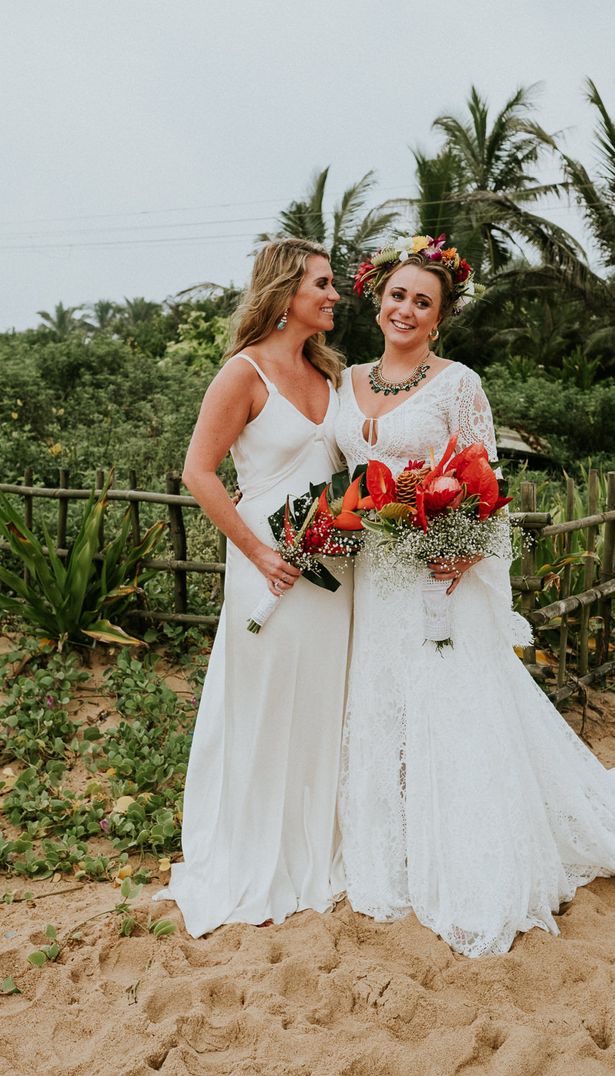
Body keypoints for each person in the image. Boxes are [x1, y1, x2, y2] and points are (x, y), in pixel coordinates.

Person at [334, 234, 615, 958]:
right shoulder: (344, 380)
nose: (406, 309)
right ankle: (396, 849)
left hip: (434, 573)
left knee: (450, 708)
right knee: (383, 706)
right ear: (377, 298)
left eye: (423, 301)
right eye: (398, 296)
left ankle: (469, 857)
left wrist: (462, 552)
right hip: (370, 581)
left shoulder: (458, 384)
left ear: (439, 317)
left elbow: (488, 490)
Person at [155, 238, 352, 937]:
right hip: (266, 566)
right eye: (323, 284)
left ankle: (316, 846)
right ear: (286, 291)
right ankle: (256, 855)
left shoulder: (330, 376)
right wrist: (261, 553)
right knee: (267, 703)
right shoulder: (242, 374)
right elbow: (199, 473)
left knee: (323, 702)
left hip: (332, 568)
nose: (335, 295)